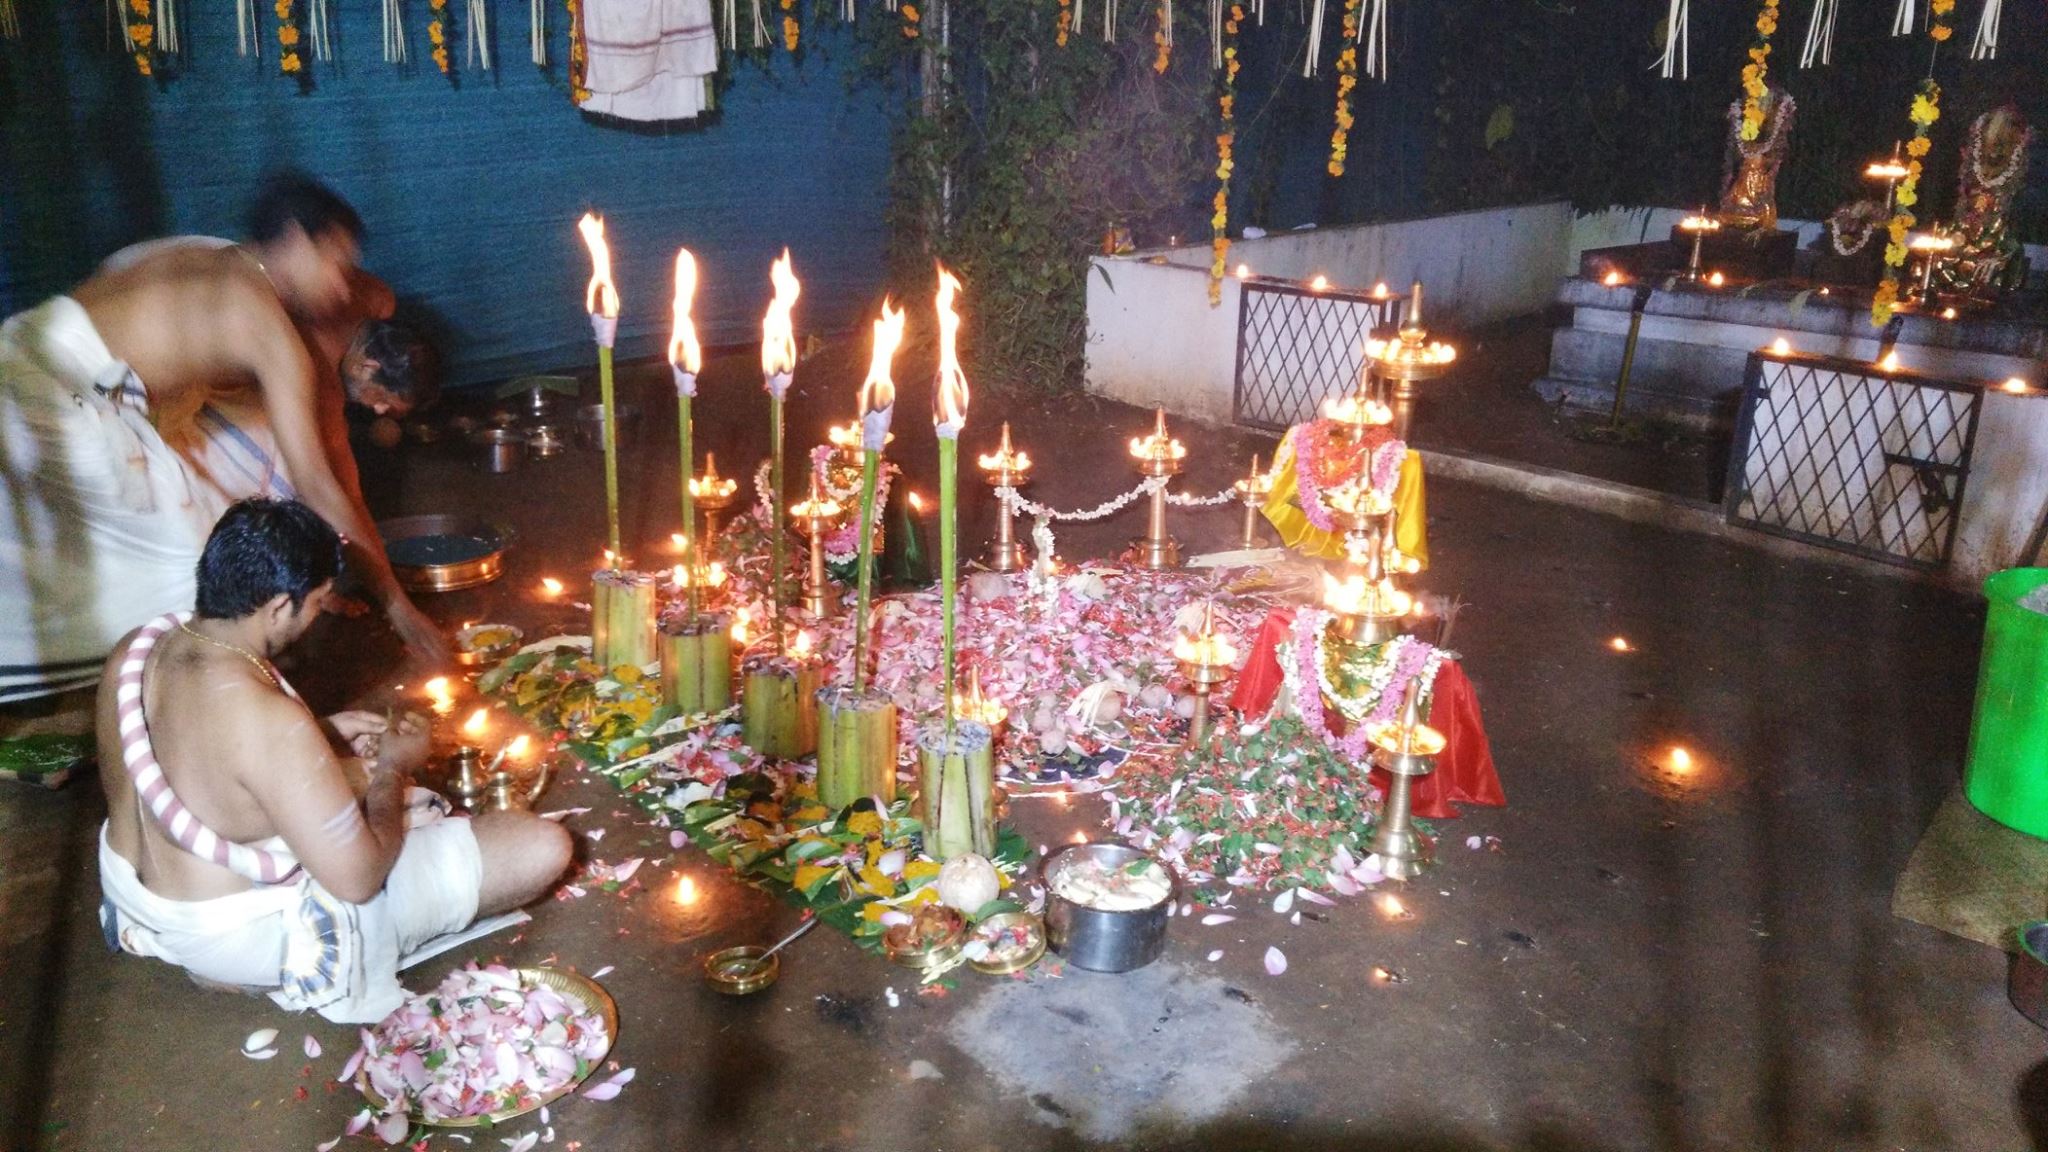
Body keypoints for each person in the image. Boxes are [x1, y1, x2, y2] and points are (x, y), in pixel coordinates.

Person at [95, 499, 571, 1023]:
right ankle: (250, 969)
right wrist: (393, 767)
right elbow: (358, 878)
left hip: (142, 893)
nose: (319, 616)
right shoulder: (267, 722)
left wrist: (320, 736)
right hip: (237, 931)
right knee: (540, 847)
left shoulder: (137, 650)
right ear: (278, 606)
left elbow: (200, 763)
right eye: (318, 602)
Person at [0, 171, 446, 706]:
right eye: (337, 261)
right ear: (297, 239)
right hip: (55, 397)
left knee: (151, 537)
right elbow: (322, 486)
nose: (343, 284)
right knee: (195, 581)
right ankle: (190, 723)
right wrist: (397, 605)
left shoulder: (212, 259)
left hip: (25, 346)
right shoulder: (267, 327)